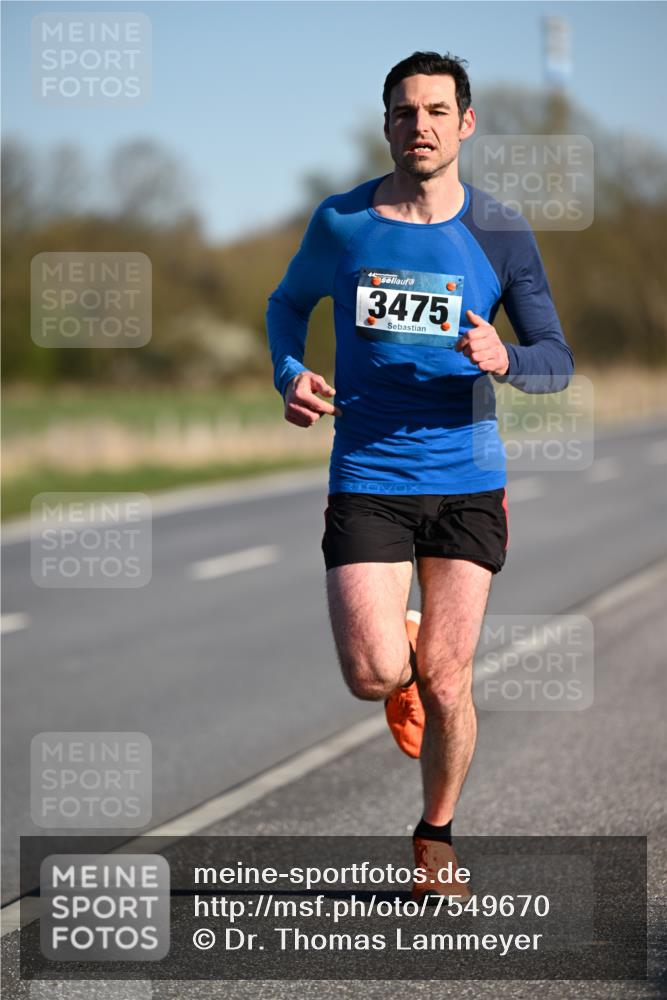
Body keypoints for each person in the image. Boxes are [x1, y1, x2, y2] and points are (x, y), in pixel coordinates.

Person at [266, 51, 573, 899]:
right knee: (373, 674)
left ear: (464, 123)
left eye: (437, 111)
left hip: (467, 474)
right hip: (368, 468)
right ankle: (399, 651)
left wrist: (505, 357)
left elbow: (555, 359)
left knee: (447, 677)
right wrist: (288, 373)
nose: (421, 126)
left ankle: (434, 836)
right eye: (405, 112)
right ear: (386, 125)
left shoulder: (500, 230)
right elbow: (286, 303)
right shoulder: (342, 222)